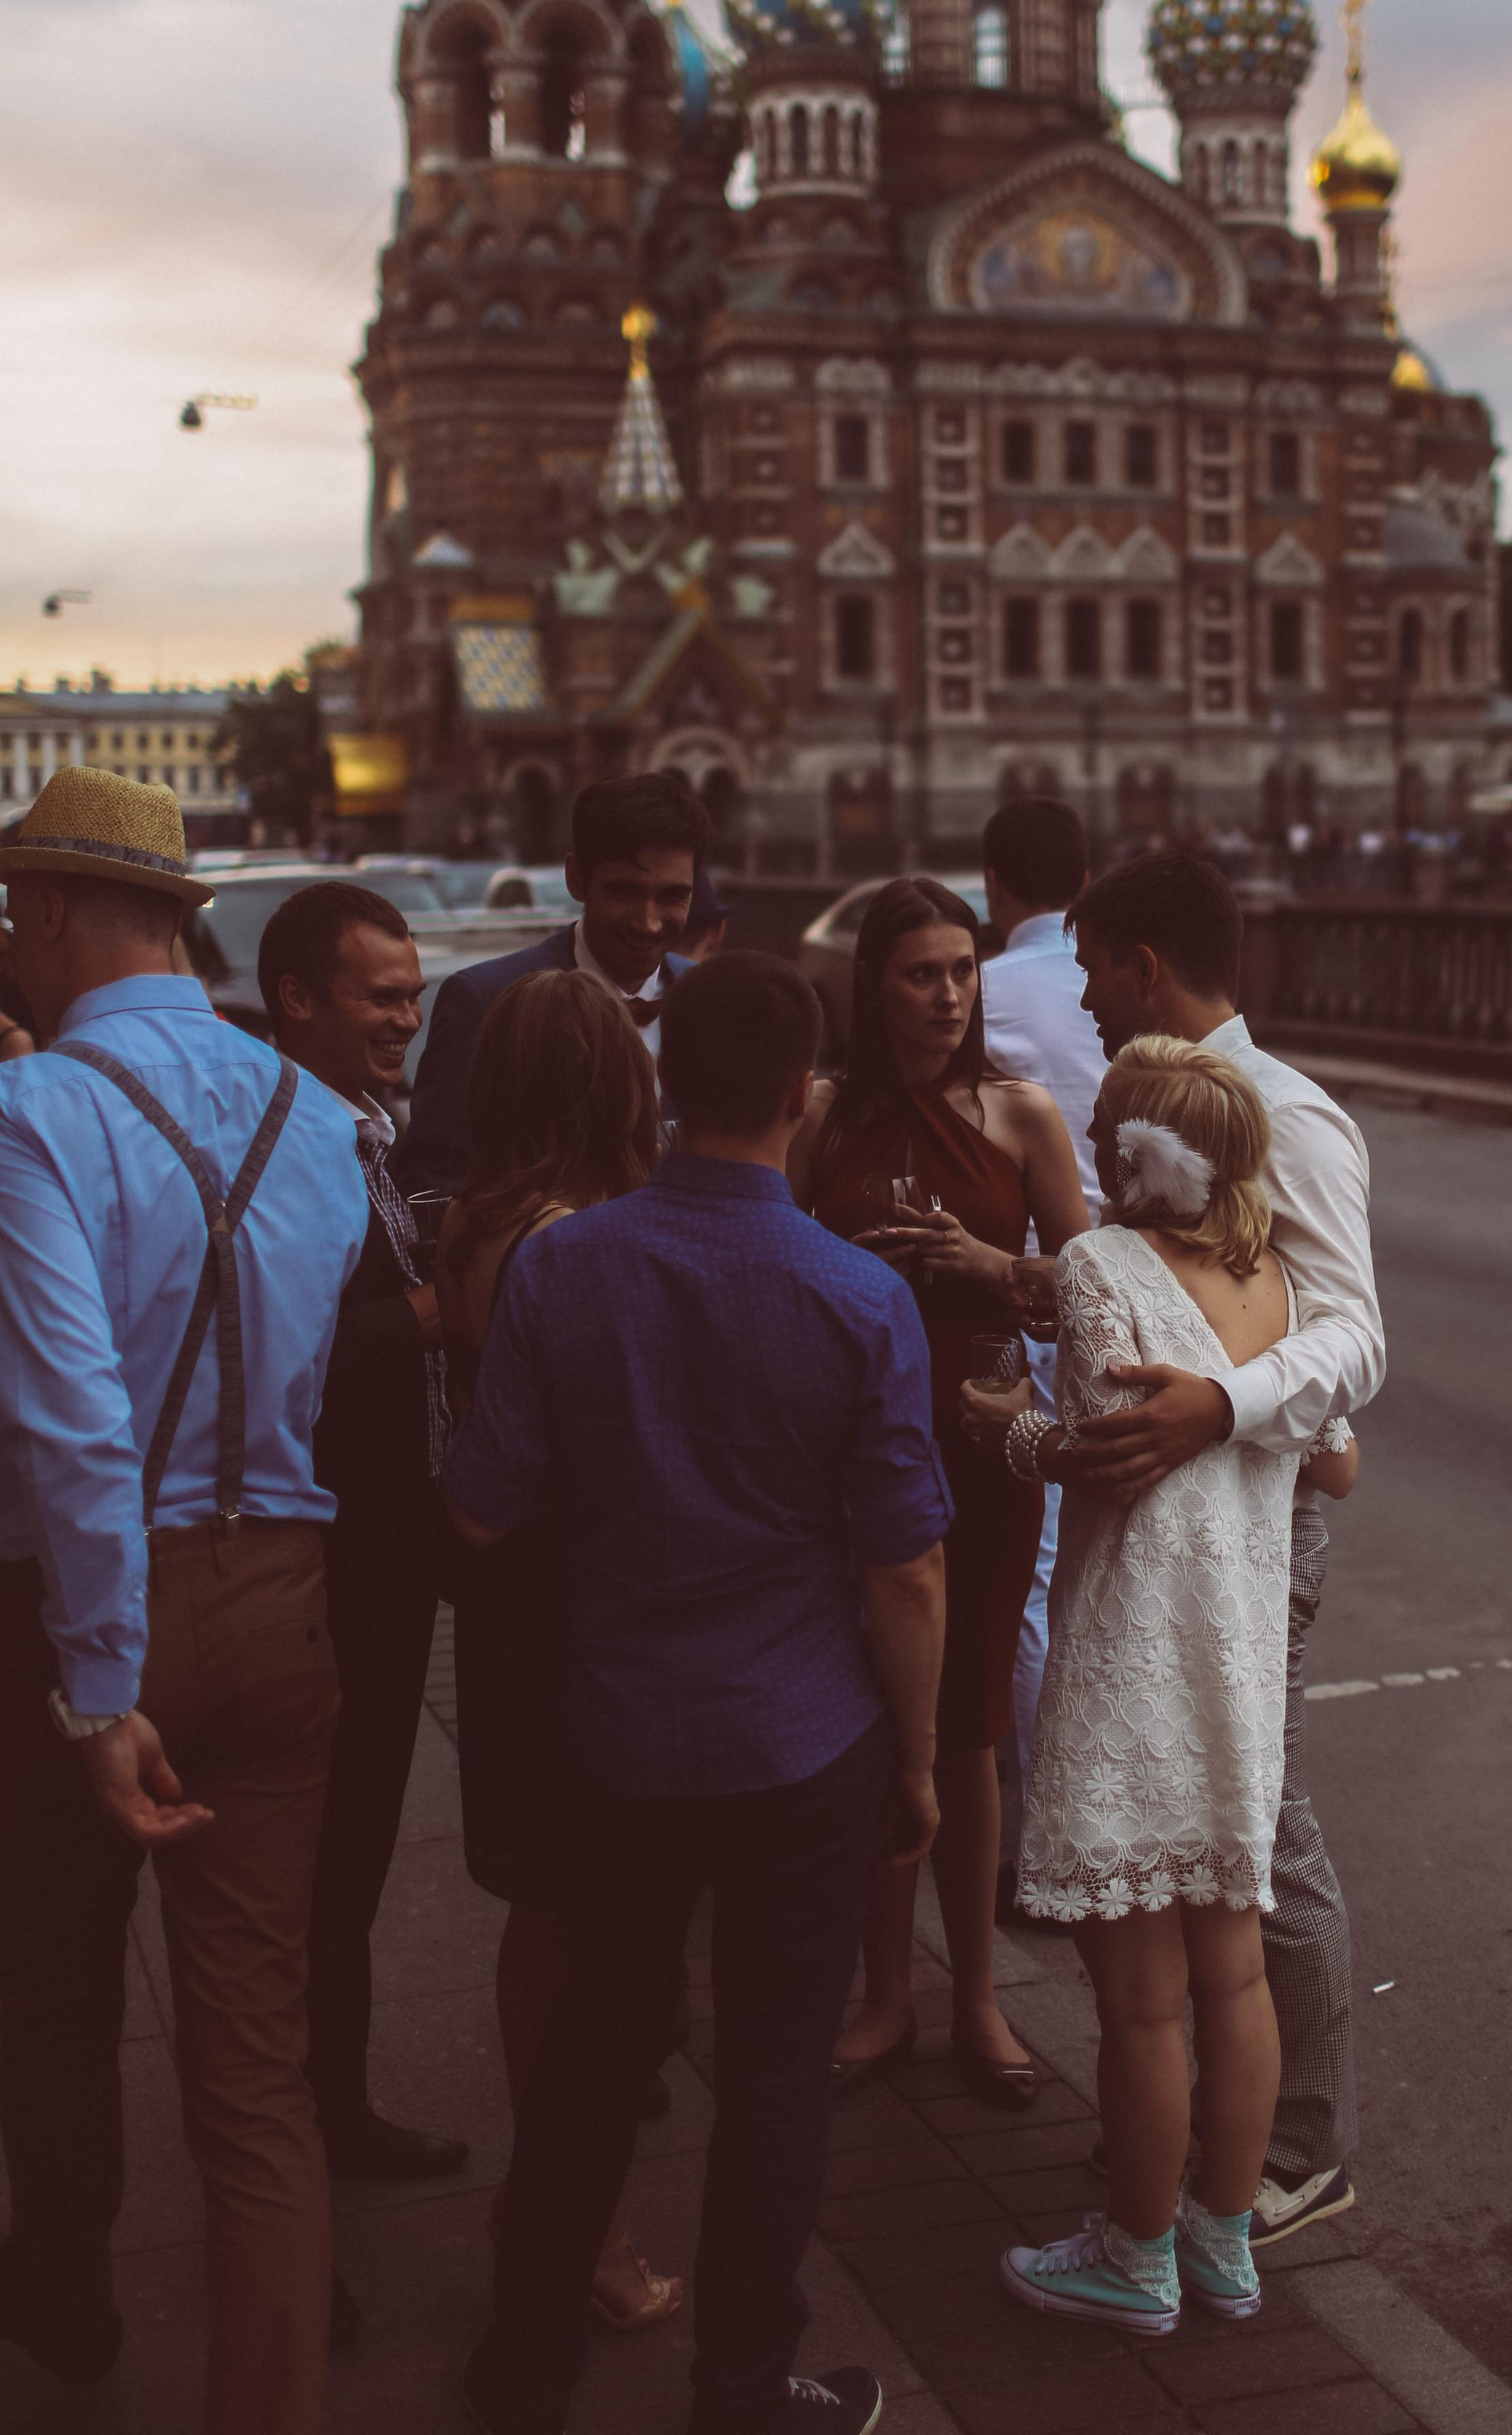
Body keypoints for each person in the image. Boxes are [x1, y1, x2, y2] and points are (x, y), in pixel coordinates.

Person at [445, 952, 951, 2435]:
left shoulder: (563, 1264)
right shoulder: (858, 1295)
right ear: (804, 1094)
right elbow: (903, 1573)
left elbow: (480, 1508)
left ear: (670, 1086)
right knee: (774, 2078)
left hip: (619, 1737)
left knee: (598, 2054)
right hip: (802, 1744)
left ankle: (524, 2355)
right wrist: (915, 1766)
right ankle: (741, 2389)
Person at [0, 769, 366, 2429]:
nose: (10, 937)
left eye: (16, 907)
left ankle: (65, 2299)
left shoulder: (36, 1115)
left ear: (65, 910)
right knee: (258, 2075)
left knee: (58, 1987)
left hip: (107, 1603)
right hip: (287, 1590)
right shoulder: (320, 1114)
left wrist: (96, 1681)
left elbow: (73, 1413)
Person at [965, 1037, 1358, 2330]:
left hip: (1135, 1654)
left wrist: (1000, 1428)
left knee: (1139, 1998)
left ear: (1134, 1152)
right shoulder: (1284, 1288)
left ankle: (1135, 2258)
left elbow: (1098, 1456)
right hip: (1237, 1663)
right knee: (1233, 1976)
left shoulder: (1098, 1268)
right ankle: (1224, 2242)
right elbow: (1338, 1466)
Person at [1060, 850, 1383, 2249]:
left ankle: (1291, 2148)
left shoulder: (1289, 1116)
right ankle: (1196, 2143)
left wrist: (1220, 1407)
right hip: (1204, 1498)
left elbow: (1355, 1337)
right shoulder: (1178, 1119)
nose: (1075, 995)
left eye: (1089, 968)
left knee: (1257, 1829)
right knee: (1215, 1838)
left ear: (1143, 968)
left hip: (1255, 1514)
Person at [791, 877, 1088, 2104]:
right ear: (876, 985)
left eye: (963, 970)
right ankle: (882, 1996)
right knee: (869, 1724)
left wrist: (988, 1262)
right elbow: (775, 1247)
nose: (949, 994)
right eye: (921, 973)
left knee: (967, 1734)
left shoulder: (1021, 1116)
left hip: (985, 1446)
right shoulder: (820, 1116)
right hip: (849, 1456)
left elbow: (1091, 1288)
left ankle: (976, 2000)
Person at [434, 967, 681, 2334]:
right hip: (577, 1608)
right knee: (590, 1942)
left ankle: (555, 2201)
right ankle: (581, 2227)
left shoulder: (483, 1220)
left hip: (514, 1601)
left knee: (551, 1918)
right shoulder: (564, 1242)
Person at [256, 880, 469, 2187]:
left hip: (381, 1553)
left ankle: (331, 2107)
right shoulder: (292, 1144)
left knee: (351, 1864)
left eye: (413, 990)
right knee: (321, 1871)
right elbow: (292, 1344)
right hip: (338, 1558)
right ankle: (305, 2138)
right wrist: (435, 1312)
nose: (408, 1014)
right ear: (297, 999)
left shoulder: (357, 1126)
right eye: (382, 994)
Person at [975, 797, 1102, 1901]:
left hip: (1022, 1294)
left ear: (993, 884)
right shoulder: (1118, 985)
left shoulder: (988, 993)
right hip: (1144, 1296)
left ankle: (1038, 1840)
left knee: (1034, 1569)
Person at [402, 771, 710, 1193]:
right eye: (625, 892)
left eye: (673, 896)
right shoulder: (485, 1000)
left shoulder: (711, 1000)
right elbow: (433, 1181)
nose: (649, 922)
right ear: (577, 879)